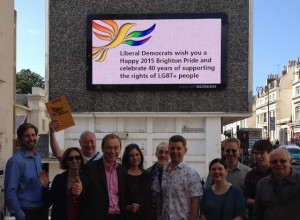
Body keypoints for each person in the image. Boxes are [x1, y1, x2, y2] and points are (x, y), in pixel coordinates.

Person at [72, 133, 127, 220]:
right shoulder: (89, 168)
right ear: (102, 148)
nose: (112, 151)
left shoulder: (122, 170)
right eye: (108, 147)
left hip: (118, 216)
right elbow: (82, 191)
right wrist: (78, 192)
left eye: (116, 148)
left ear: (120, 149)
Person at [4, 123, 48, 220]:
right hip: (26, 212)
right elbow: (10, 191)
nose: (31, 138)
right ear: (20, 139)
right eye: (27, 136)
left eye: (33, 135)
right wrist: (20, 216)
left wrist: (45, 186)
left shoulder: (37, 157)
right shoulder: (15, 161)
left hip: (41, 211)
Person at [155, 135, 202, 220]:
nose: (175, 151)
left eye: (178, 148)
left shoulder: (191, 173)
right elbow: (159, 197)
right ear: (169, 149)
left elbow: (195, 202)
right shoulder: (163, 172)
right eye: (172, 148)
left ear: (185, 150)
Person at [253, 148, 300, 220]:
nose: (278, 164)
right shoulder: (262, 185)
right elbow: (258, 214)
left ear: (290, 162)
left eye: (282, 161)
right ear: (270, 164)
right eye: (274, 161)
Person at [39, 147, 85, 220]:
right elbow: (48, 202)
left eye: (77, 157)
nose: (74, 160)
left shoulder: (86, 179)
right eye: (70, 158)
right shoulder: (59, 179)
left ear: (81, 160)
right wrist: (45, 187)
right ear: (66, 161)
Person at [243, 139, 272, 219]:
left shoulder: (277, 173)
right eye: (256, 154)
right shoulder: (250, 175)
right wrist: (259, 203)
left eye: (262, 153)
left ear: (270, 154)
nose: (258, 157)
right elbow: (245, 198)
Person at [122, 144, 151, 220]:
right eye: (131, 155)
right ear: (127, 158)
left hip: (145, 216)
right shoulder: (122, 175)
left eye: (137, 154)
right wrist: (128, 207)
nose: (135, 158)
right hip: (128, 217)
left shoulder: (147, 175)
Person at [147, 142, 169, 220]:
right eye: (161, 152)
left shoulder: (176, 174)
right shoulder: (147, 173)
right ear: (156, 153)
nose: (163, 155)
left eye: (167, 152)